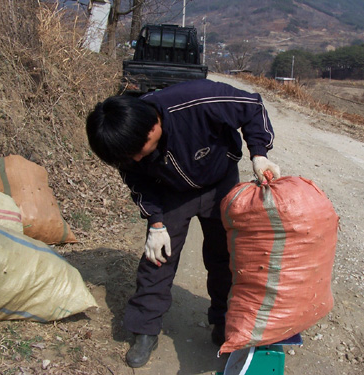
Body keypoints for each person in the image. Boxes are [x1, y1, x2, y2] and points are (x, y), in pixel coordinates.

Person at [85, 79, 281, 368]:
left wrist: (259, 154)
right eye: (130, 158)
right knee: (157, 260)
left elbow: (252, 106)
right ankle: (145, 330)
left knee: (224, 256)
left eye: (141, 151)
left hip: (218, 182)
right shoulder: (127, 147)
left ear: (153, 126)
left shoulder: (195, 100)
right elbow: (138, 183)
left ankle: (224, 321)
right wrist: (155, 222)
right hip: (170, 193)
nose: (137, 159)